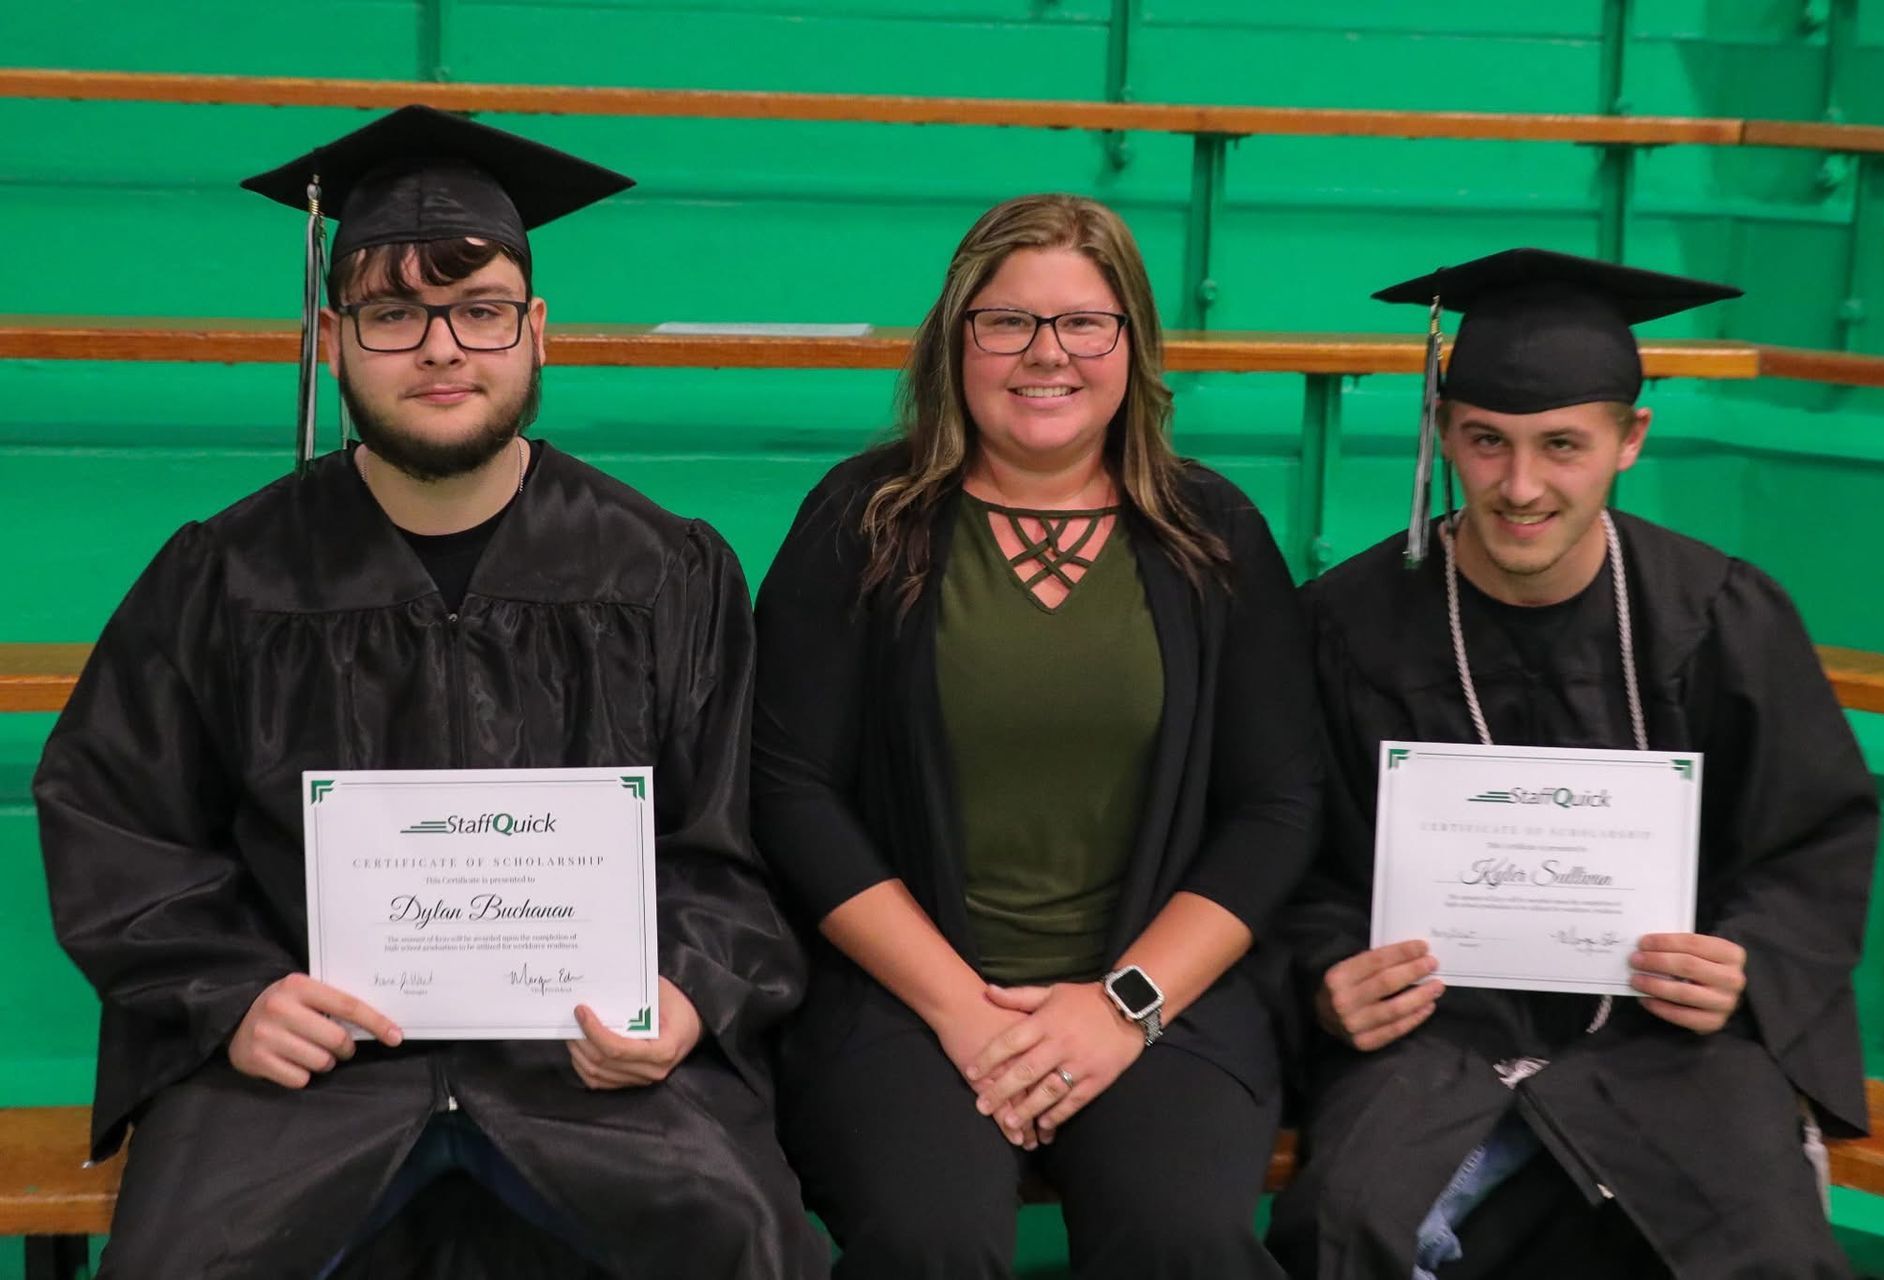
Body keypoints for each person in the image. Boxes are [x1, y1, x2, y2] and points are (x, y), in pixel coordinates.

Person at [34, 106, 824, 1280]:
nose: (442, 346)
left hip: (584, 1062)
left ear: (537, 331)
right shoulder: (230, 574)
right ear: (334, 334)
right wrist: (236, 995)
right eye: (394, 313)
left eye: (480, 308)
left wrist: (686, 994)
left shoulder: (662, 571)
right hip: (315, 1067)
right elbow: (114, 813)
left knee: (750, 1240)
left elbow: (732, 844)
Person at [1265, 248, 1879, 1279]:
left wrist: (1745, 961)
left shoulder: (1717, 616)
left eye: (1562, 445)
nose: (1520, 485)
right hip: (1429, 1040)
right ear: (1445, 435)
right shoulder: (1348, 626)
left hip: (1669, 1037)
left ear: (1629, 439)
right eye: (1486, 442)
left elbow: (1811, 840)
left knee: (1765, 1244)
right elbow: (1288, 853)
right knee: (1346, 1223)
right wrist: (1329, 976)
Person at [751, 193, 1321, 1279]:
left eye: (1083, 323)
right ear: (955, 340)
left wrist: (1123, 1007)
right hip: (905, 1000)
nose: (1044, 353)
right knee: (931, 1240)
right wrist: (961, 1007)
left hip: (1154, 995)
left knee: (1183, 1238)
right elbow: (790, 787)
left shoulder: (1214, 535)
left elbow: (1278, 802)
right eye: (1006, 321)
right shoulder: (862, 521)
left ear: (1131, 345)